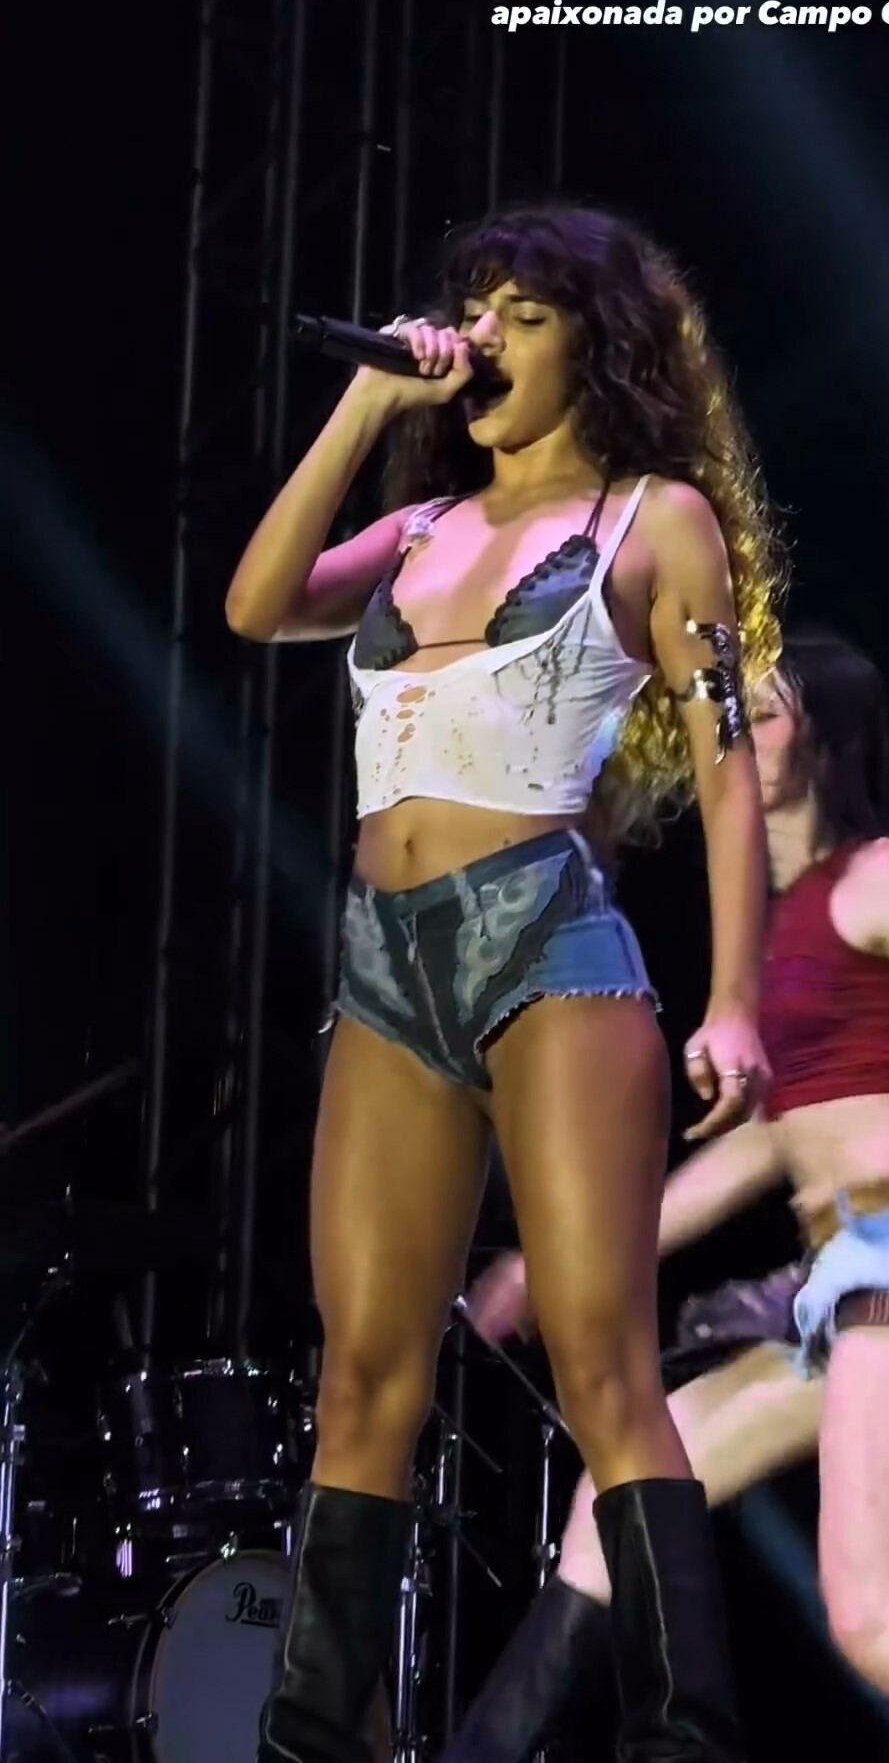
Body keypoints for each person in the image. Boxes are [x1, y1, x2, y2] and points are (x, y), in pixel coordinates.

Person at [224, 203, 786, 1763]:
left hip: (548, 941)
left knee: (603, 1362)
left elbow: (730, 773)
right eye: (471, 308)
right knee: (365, 1375)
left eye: (521, 315)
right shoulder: (420, 532)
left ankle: (685, 1739)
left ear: (596, 349)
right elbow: (258, 603)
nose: (480, 337)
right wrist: (367, 401)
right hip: (387, 961)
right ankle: (310, 1743)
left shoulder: (654, 517)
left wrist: (737, 999)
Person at [452, 631, 889, 1763]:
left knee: (877, 1623)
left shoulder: (884, 879)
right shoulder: (781, 930)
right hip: (850, 1285)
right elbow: (762, 1146)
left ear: (827, 747)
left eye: (769, 712)